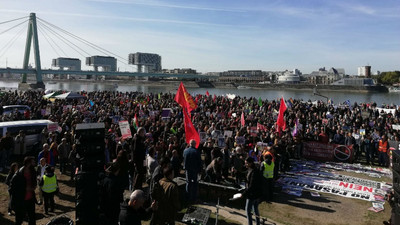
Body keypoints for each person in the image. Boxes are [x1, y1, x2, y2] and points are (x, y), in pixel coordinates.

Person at [10, 156, 37, 225]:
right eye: (33, 162)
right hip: (21, 200)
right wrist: (24, 188)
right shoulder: (18, 174)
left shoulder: (33, 171)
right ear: (28, 163)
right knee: (19, 220)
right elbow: (11, 188)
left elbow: (34, 181)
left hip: (30, 199)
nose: (35, 163)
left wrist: (34, 186)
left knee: (32, 218)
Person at [242, 157, 263, 225]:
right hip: (256, 194)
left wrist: (244, 193)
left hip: (252, 194)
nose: (246, 165)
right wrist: (237, 172)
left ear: (250, 163)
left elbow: (251, 185)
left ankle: (250, 223)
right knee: (255, 209)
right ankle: (257, 223)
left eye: (247, 163)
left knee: (248, 210)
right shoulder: (252, 169)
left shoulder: (254, 172)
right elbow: (245, 173)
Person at [183, 139, 202, 203]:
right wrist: (200, 170)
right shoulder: (196, 152)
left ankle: (187, 197)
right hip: (194, 170)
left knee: (188, 183)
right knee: (194, 183)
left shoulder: (185, 151)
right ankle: (194, 198)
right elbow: (199, 162)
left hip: (187, 169)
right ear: (194, 144)